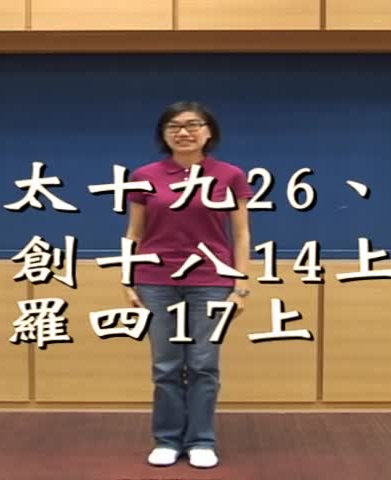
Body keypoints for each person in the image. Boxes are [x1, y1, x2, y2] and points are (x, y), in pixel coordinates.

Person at [123, 101, 252, 469]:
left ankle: (200, 440)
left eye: (193, 124)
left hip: (211, 281)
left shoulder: (230, 176)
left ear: (208, 132)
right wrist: (127, 280)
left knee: (203, 364)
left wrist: (240, 286)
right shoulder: (144, 175)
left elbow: (241, 234)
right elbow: (134, 232)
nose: (184, 132)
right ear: (163, 135)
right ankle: (167, 439)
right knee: (165, 365)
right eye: (174, 126)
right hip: (155, 280)